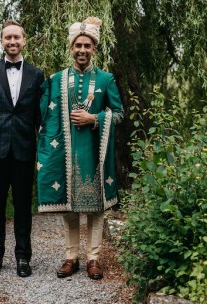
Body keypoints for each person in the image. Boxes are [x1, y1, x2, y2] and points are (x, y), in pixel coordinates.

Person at [36, 16, 124, 280]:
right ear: (71, 48)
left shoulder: (106, 79)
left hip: (95, 152)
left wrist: (94, 119)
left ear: (94, 49)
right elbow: (40, 112)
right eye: (78, 46)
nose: (82, 50)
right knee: (69, 207)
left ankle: (94, 258)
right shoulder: (56, 80)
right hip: (65, 152)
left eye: (87, 46)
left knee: (96, 207)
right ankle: (71, 256)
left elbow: (119, 114)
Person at [0, 19, 44, 277]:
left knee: (24, 205)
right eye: (8, 38)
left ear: (24, 40)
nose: (12, 42)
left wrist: (47, 147)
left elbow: (40, 116)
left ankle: (23, 257)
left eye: (17, 37)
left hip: (24, 149)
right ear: (2, 41)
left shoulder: (36, 75)